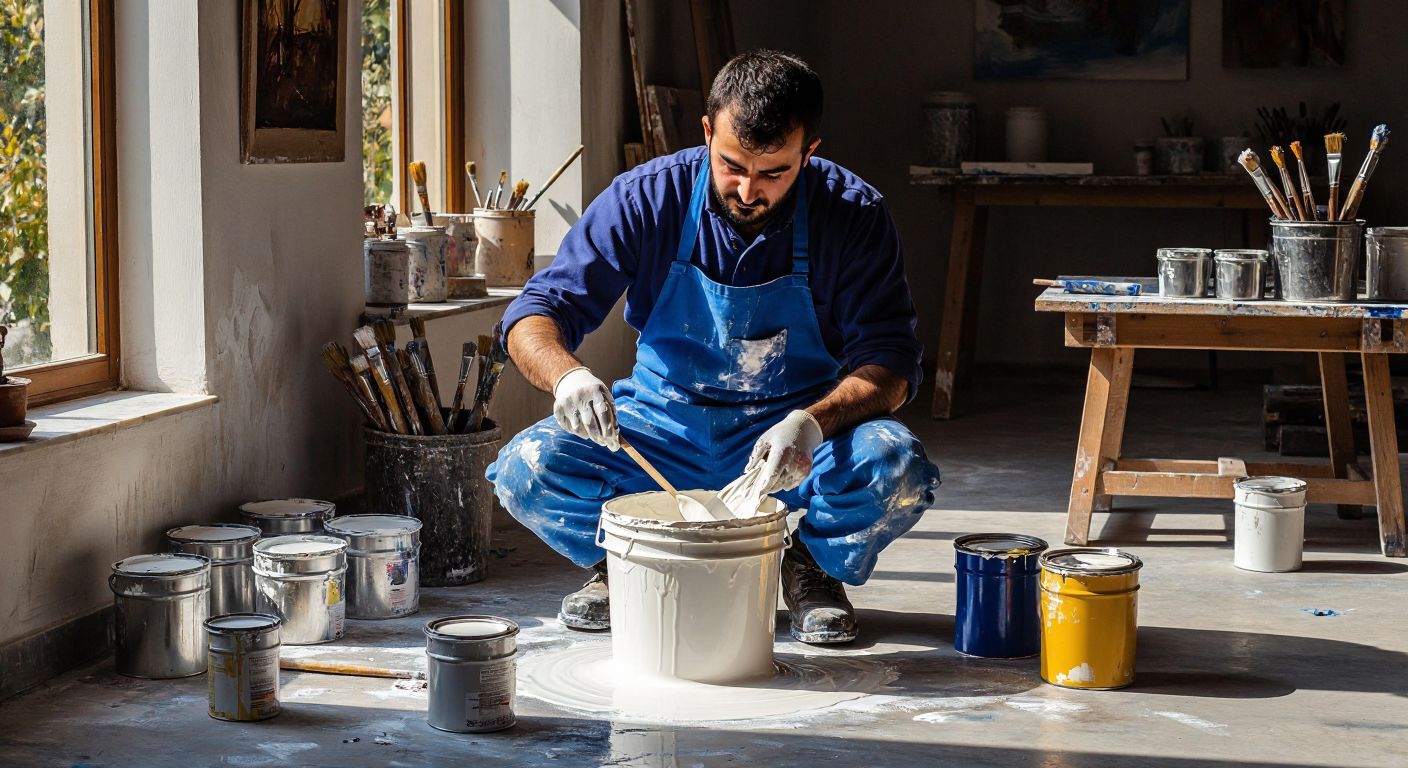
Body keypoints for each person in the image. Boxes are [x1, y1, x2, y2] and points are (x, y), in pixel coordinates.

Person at [487, 50, 940, 644]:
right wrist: (566, 376)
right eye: (731, 165)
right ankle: (624, 562)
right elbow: (535, 312)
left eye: (774, 173)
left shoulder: (853, 214)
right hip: (660, 426)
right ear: (707, 132)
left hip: (789, 441)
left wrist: (812, 423)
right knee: (527, 468)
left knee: (895, 465)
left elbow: (893, 364)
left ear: (811, 150)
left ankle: (810, 569)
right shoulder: (647, 198)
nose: (748, 190)